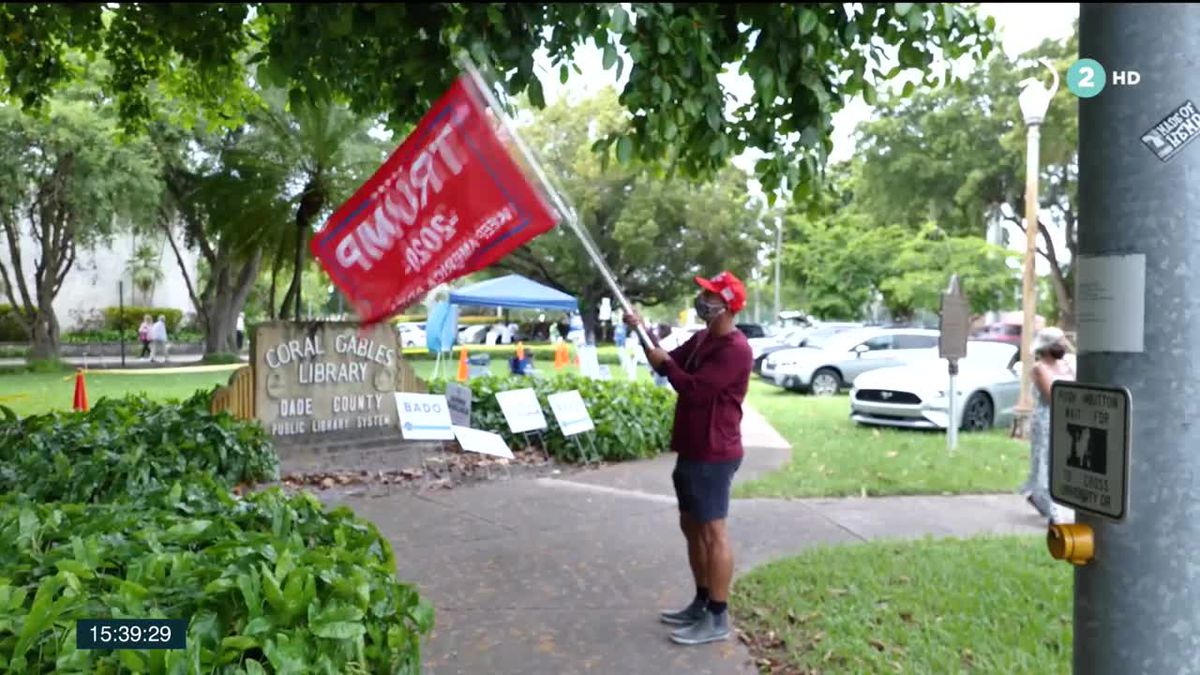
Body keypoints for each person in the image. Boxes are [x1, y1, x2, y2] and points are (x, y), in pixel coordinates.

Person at [625, 270, 752, 646]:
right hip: (692, 448)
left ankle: (718, 615)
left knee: (714, 532)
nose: (703, 302)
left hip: (715, 452)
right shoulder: (702, 339)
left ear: (727, 306)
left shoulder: (735, 350)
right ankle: (700, 601)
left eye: (710, 297)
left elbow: (694, 390)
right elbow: (662, 362)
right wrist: (641, 330)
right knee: (691, 528)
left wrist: (667, 363)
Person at [1022, 327, 1075, 523]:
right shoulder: (1039, 368)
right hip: (1047, 419)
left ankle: (1041, 498)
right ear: (1046, 346)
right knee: (1046, 461)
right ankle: (1052, 508)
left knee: (1064, 462)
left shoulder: (1068, 366)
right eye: (1057, 343)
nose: (1061, 347)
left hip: (1068, 419)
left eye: (1062, 342)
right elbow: (1052, 395)